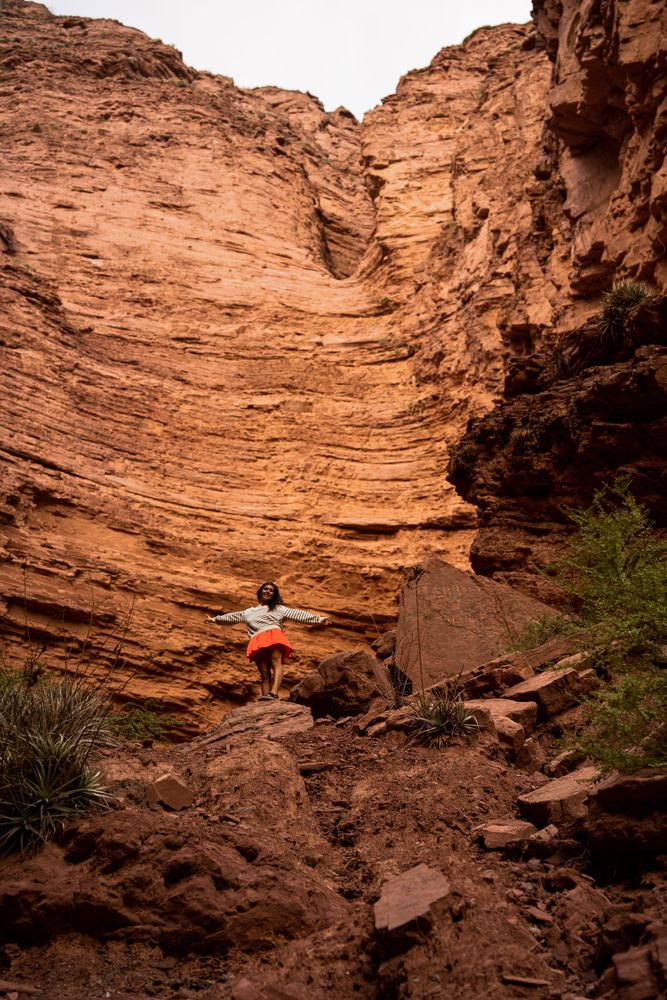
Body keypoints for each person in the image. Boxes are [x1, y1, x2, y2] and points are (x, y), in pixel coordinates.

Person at [207, 581, 331, 700]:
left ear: (274, 595)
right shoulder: (248, 612)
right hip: (257, 639)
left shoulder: (278, 608)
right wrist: (214, 619)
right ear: (260, 591)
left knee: (276, 662)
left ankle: (274, 693)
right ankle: (266, 699)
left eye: (271, 590)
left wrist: (319, 619)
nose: (268, 591)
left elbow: (298, 615)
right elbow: (232, 617)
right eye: (265, 589)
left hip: (274, 635)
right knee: (265, 673)